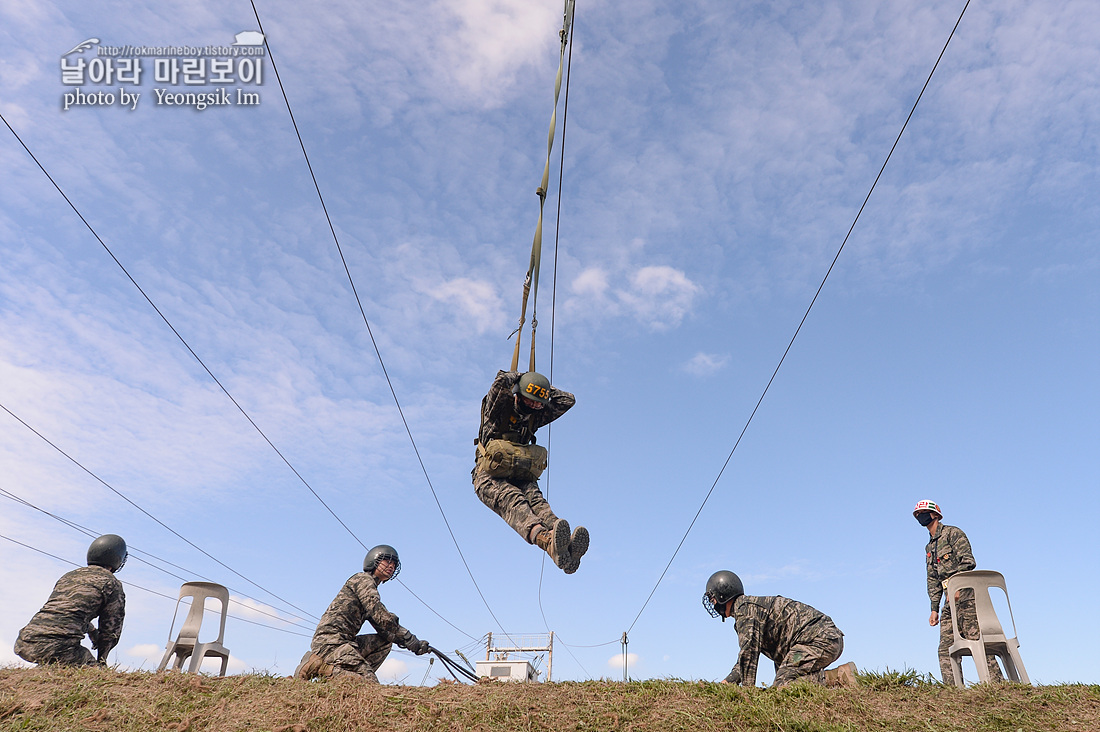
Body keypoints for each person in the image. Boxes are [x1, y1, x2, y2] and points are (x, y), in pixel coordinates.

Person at [473, 370, 588, 573]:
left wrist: (542, 388)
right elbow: (500, 380)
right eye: (531, 399)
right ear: (519, 394)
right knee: (514, 500)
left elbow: (567, 400)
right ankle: (547, 542)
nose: (535, 405)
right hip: (488, 475)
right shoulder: (498, 409)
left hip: (520, 473)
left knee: (538, 503)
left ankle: (563, 545)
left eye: (539, 402)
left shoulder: (536, 416)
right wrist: (521, 378)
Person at [295, 545, 430, 683]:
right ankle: (322, 667)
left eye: (394, 564)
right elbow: (381, 616)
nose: (392, 566)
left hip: (345, 643)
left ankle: (341, 674)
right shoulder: (362, 580)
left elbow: (385, 631)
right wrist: (408, 636)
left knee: (385, 643)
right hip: (330, 643)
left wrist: (414, 644)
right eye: (387, 561)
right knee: (368, 683)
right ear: (374, 560)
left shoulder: (368, 593)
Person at [702, 570, 851, 688]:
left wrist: (747, 693)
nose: (713, 603)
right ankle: (833, 680)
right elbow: (745, 658)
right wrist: (727, 683)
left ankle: (839, 676)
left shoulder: (745, 610)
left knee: (783, 684)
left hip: (820, 640)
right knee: (784, 683)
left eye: (713, 598)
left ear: (723, 594)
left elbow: (749, 654)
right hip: (820, 640)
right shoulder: (746, 610)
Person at [914, 499, 1003, 684]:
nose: (919, 517)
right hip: (948, 600)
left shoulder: (953, 533)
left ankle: (997, 684)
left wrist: (958, 585)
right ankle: (952, 688)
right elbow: (932, 579)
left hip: (965, 595)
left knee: (975, 638)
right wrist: (933, 608)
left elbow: (968, 561)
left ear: (935, 514)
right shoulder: (929, 547)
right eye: (917, 514)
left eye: (922, 513)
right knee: (945, 648)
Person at [14, 534, 127, 667]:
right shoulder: (111, 583)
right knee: (94, 673)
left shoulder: (69, 576)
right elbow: (110, 631)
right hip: (57, 647)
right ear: (117, 559)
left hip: (25, 642)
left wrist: (91, 631)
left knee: (57, 662)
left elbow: (67, 611)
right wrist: (102, 662)